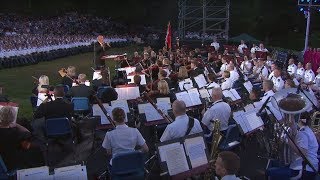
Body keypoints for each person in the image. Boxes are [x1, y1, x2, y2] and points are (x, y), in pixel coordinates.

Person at [266, 113, 319, 180]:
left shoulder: (303, 133)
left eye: (292, 118)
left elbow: (303, 153)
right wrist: (293, 132)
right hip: (302, 166)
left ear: (299, 120)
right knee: (274, 164)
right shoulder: (306, 130)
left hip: (305, 170)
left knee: (269, 172)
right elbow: (298, 144)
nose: (291, 120)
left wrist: (289, 139)